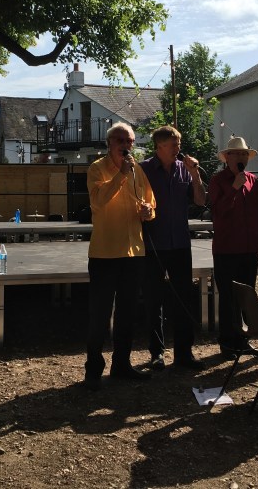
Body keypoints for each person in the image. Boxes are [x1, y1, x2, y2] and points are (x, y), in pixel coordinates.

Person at [84, 122, 156, 391]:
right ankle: (93, 370)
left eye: (130, 141)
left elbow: (151, 201)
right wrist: (121, 175)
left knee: (127, 312)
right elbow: (98, 202)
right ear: (109, 144)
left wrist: (149, 211)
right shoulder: (97, 168)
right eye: (120, 141)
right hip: (105, 253)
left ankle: (121, 365)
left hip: (134, 252)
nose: (126, 146)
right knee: (100, 313)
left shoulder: (138, 170)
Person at [140, 126, 207, 370]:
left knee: (184, 299)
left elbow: (200, 201)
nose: (177, 148)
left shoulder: (184, 169)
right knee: (153, 300)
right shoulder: (143, 169)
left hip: (179, 243)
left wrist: (195, 174)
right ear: (159, 146)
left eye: (178, 143)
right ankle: (156, 353)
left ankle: (184, 353)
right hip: (152, 244)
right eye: (172, 145)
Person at [208, 137, 258, 355]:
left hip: (249, 249)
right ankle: (227, 342)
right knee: (228, 297)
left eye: (244, 154)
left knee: (245, 296)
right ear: (227, 157)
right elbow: (217, 213)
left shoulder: (252, 180)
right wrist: (234, 188)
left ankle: (242, 340)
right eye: (237, 154)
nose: (242, 157)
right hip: (226, 249)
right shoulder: (218, 180)